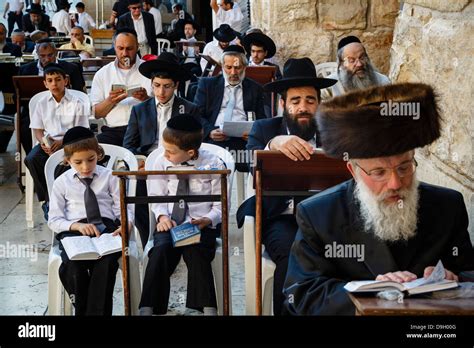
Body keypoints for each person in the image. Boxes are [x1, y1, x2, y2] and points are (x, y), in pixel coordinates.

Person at [283, 83, 474, 315]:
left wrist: (454, 280)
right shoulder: (318, 215)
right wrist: (370, 292)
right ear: (354, 171)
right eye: (379, 173)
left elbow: (468, 271)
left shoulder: (448, 206)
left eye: (404, 168)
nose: (395, 184)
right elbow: (301, 294)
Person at [235, 57, 336, 315]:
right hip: (280, 217)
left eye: (310, 100)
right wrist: (274, 144)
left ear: (319, 104)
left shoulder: (334, 133)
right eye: (295, 101)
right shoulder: (264, 128)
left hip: (325, 219)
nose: (303, 107)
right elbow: (247, 163)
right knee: (293, 250)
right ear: (283, 104)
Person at [139, 114, 224, 316]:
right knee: (159, 251)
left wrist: (208, 219)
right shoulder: (161, 162)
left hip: (201, 225)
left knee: (196, 252)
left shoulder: (213, 165)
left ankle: (206, 308)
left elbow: (222, 204)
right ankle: (148, 307)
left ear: (191, 152)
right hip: (171, 224)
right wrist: (162, 217)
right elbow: (157, 195)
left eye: (170, 152)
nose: (165, 155)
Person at [48, 126, 133, 315]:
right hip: (74, 231)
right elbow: (54, 219)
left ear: (99, 154)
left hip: (106, 228)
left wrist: (125, 223)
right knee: (72, 266)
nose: (85, 167)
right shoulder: (62, 182)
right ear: (67, 160)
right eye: (78, 162)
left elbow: (123, 209)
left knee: (107, 263)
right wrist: (76, 225)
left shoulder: (110, 177)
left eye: (91, 160)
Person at [123, 52, 200, 246]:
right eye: (156, 86)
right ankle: (149, 237)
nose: (161, 92)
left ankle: (180, 234)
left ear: (176, 86)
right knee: (136, 191)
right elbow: (128, 145)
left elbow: (195, 143)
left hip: (179, 163)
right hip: (149, 164)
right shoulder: (139, 110)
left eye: (166, 87)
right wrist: (139, 161)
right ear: (151, 84)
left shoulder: (189, 108)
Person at [24, 64, 90, 215]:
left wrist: (62, 143)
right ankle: (47, 199)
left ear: (65, 81)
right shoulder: (41, 103)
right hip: (49, 142)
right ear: (45, 83)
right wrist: (43, 142)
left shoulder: (77, 102)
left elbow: (81, 130)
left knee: (60, 164)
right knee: (31, 159)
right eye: (50, 80)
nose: (54, 84)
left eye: (58, 80)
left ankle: (59, 199)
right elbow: (38, 130)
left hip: (71, 143)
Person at [194, 45, 266, 171]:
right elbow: (197, 114)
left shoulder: (255, 88)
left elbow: (262, 119)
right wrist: (210, 131)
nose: (233, 73)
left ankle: (250, 190)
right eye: (228, 67)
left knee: (258, 164)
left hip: (244, 140)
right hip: (215, 137)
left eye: (237, 68)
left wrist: (253, 133)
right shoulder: (207, 85)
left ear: (244, 67)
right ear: (222, 67)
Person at [19, 41, 86, 154]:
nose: (47, 59)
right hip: (37, 110)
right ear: (37, 54)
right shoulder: (26, 69)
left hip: (67, 108)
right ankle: (33, 153)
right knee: (24, 127)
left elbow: (78, 91)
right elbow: (19, 95)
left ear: (56, 53)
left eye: (50, 55)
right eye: (42, 56)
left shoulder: (71, 68)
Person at [90, 28, 151, 147]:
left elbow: (162, 106)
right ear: (114, 47)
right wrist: (111, 100)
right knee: (92, 148)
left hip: (143, 129)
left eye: (129, 48)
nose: (125, 53)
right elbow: (96, 114)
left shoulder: (149, 70)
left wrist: (146, 99)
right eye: (120, 48)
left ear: (137, 47)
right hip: (113, 130)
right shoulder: (103, 74)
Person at [321, 35, 390, 100]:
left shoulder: (383, 82)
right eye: (352, 60)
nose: (359, 64)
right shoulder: (329, 85)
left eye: (362, 58)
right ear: (341, 64)